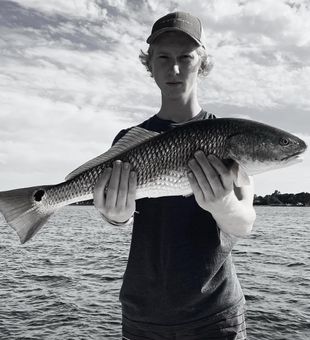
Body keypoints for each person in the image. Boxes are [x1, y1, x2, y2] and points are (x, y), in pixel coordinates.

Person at [93, 11, 256, 340]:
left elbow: (244, 222)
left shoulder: (227, 135)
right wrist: (115, 217)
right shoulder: (128, 139)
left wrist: (223, 204)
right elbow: (118, 216)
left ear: (203, 64)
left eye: (186, 57)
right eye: (163, 57)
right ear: (149, 64)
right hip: (143, 315)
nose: (175, 68)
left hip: (214, 315)